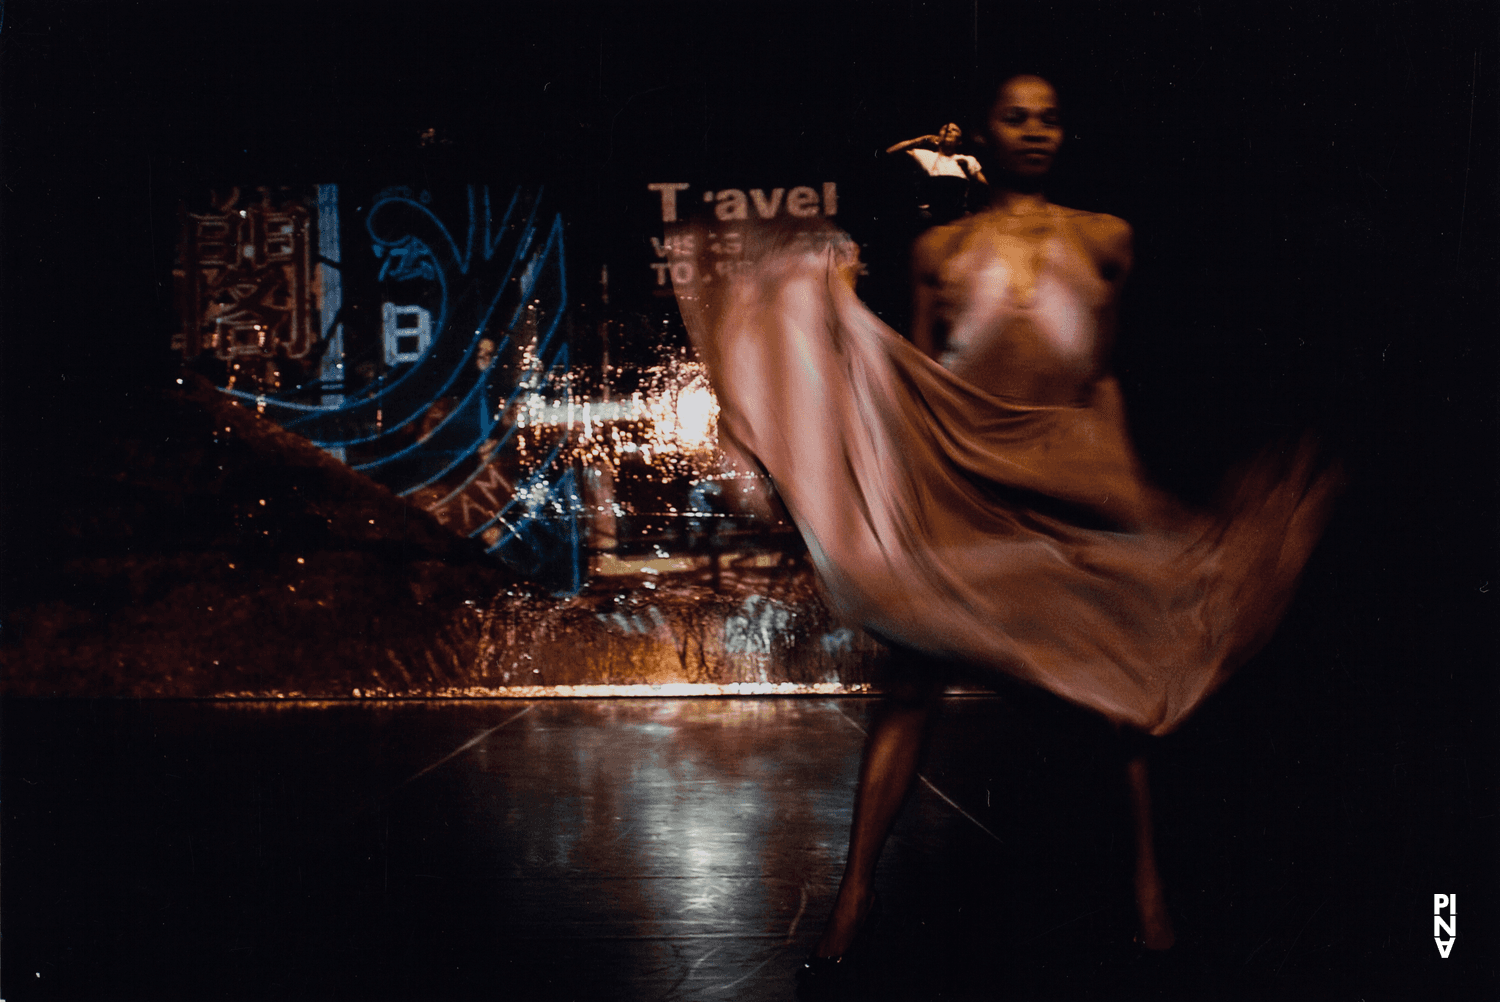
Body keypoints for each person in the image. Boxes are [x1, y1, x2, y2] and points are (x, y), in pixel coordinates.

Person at [667, 73, 1337, 980]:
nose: (1034, 130)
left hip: (1069, 478)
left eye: (1049, 117)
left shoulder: (1107, 239)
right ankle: (854, 897)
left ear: (1065, 134)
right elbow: (919, 376)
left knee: (1119, 687)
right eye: (1016, 117)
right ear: (989, 131)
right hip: (968, 484)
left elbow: (1102, 375)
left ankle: (1149, 892)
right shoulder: (941, 248)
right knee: (911, 686)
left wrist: (1123, 485)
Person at [886, 122, 987, 225]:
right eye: (945, 129)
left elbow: (985, 185)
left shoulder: (968, 159)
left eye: (954, 130)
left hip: (958, 217)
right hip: (930, 217)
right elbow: (890, 151)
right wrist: (922, 139)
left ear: (959, 141)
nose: (948, 130)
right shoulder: (926, 155)